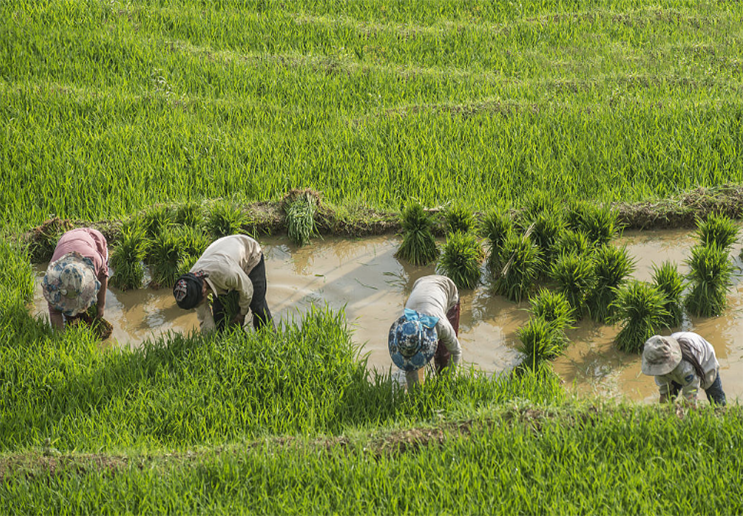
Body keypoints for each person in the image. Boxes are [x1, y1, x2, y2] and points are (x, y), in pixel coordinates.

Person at [172, 234, 273, 333]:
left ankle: (269, 337)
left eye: (199, 303)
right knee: (220, 313)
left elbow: (247, 288)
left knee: (258, 306)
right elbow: (204, 318)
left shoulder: (226, 273)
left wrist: (241, 315)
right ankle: (228, 340)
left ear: (203, 290)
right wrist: (210, 342)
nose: (199, 305)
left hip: (249, 253)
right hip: (222, 253)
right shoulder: (191, 284)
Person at [388, 275, 462, 388]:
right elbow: (409, 366)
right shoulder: (404, 327)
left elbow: (456, 352)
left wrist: (450, 380)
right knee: (413, 360)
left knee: (444, 356)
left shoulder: (441, 325)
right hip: (420, 284)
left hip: (447, 289)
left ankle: (442, 384)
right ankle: (422, 384)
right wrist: (415, 396)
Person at [42, 228, 109, 331]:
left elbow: (104, 275)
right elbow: (54, 312)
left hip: (94, 239)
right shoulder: (52, 279)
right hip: (65, 240)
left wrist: (101, 306)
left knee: (90, 301)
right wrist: (59, 338)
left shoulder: (95, 259)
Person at [641, 332, 726, 407]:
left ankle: (722, 412)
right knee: (669, 396)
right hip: (684, 351)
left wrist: (687, 413)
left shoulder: (685, 367)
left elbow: (691, 395)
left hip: (705, 358)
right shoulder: (657, 356)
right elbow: (664, 391)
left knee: (716, 396)